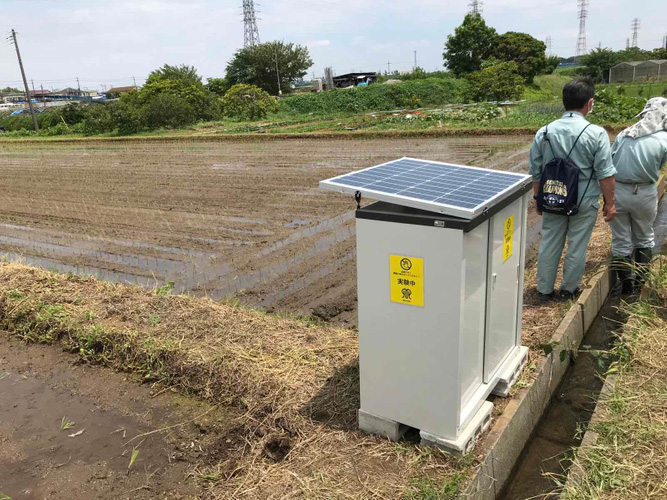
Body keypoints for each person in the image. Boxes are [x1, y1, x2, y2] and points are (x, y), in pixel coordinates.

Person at [529, 78, 617, 302]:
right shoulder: (596, 133)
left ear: (564, 102)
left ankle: (544, 290)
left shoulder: (544, 132)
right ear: (590, 103)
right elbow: (605, 173)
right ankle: (569, 289)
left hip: (552, 196)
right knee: (577, 244)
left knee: (549, 242)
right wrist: (610, 203)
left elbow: (536, 172)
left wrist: (539, 198)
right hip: (583, 200)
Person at [609, 97, 667, 293]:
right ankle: (639, 284)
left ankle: (626, 288)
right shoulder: (663, 138)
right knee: (644, 238)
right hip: (645, 192)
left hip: (618, 190)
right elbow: (661, 166)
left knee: (620, 241)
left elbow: (610, 163)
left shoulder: (624, 134)